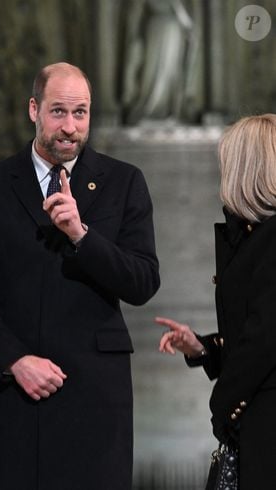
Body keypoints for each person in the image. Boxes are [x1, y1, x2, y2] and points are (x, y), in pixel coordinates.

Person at [0, 62, 160, 490]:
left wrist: (82, 236)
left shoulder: (123, 182)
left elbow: (142, 281)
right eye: (58, 112)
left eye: (80, 113)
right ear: (34, 110)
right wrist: (13, 360)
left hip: (94, 395)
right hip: (13, 392)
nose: (69, 127)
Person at [156, 113, 276, 490]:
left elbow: (263, 341)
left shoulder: (270, 239)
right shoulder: (253, 236)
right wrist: (204, 348)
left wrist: (222, 407)